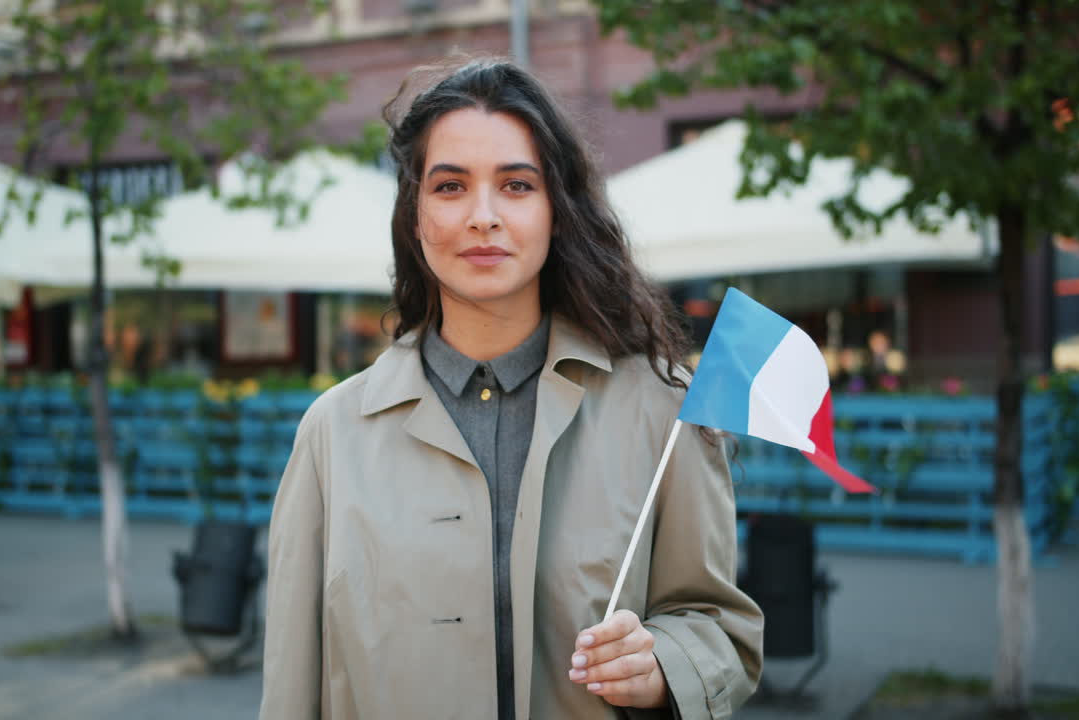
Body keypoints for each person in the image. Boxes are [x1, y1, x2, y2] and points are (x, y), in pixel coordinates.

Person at [258, 58, 762, 720]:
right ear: (414, 217)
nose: (484, 216)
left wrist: (664, 663)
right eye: (450, 187)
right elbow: (294, 685)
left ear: (558, 209)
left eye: (517, 185)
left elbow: (721, 629)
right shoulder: (333, 432)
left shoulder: (664, 409)